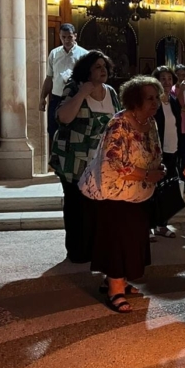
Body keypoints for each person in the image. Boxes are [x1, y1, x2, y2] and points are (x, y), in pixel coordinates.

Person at [79, 76, 165, 313]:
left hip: (138, 194)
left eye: (157, 97)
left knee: (132, 241)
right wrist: (147, 175)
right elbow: (114, 160)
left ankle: (117, 281)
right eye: (150, 98)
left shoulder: (150, 122)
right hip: (114, 195)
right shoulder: (119, 123)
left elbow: (154, 150)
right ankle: (114, 291)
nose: (156, 102)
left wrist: (159, 169)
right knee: (117, 242)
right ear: (135, 101)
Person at [50, 50, 121, 263]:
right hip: (73, 159)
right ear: (87, 70)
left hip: (100, 161)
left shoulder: (110, 92)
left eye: (105, 67)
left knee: (97, 206)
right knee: (75, 205)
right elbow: (62, 117)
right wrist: (81, 93)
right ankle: (77, 250)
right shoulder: (73, 88)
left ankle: (95, 247)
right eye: (98, 67)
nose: (103, 71)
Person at [39, 24, 89, 145]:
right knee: (53, 128)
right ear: (60, 37)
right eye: (63, 37)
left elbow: (88, 79)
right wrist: (42, 98)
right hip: (57, 98)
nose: (66, 40)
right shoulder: (54, 54)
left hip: (74, 98)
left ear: (75, 36)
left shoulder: (84, 55)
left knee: (74, 130)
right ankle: (56, 159)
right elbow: (49, 78)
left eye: (69, 37)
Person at [152, 66, 183, 239]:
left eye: (169, 78)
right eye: (163, 78)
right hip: (157, 151)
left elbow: (176, 125)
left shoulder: (172, 100)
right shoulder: (152, 101)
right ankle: (149, 225)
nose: (166, 81)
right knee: (153, 189)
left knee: (167, 189)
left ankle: (162, 224)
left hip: (172, 149)